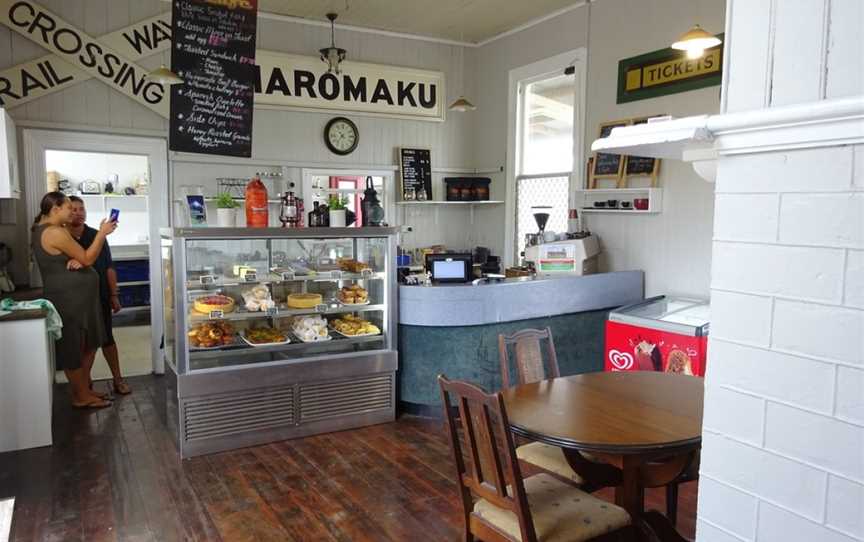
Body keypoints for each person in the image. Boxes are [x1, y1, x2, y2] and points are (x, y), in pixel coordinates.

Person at [31, 192, 117, 408]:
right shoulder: (53, 232)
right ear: (55, 209)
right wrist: (102, 234)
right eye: (69, 208)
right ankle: (81, 397)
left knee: (89, 343)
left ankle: (84, 391)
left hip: (78, 299)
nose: (73, 212)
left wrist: (76, 259)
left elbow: (73, 258)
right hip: (69, 300)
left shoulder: (51, 230)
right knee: (73, 347)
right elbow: (87, 258)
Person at [67, 196, 132, 395]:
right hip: (74, 300)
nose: (79, 212)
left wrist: (114, 295)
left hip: (99, 296)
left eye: (81, 208)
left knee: (107, 339)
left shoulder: (97, 235)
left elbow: (109, 268)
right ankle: (85, 385)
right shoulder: (60, 236)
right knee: (83, 344)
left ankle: (117, 379)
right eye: (74, 209)